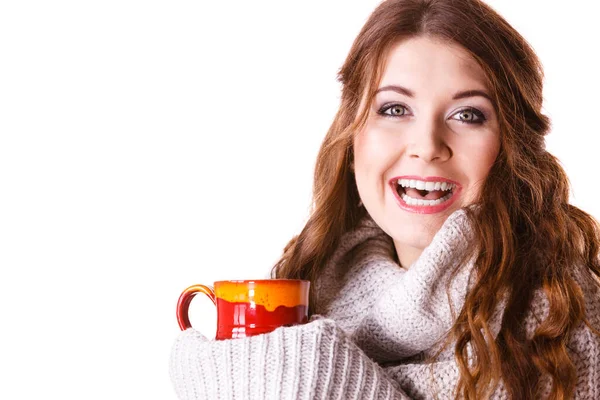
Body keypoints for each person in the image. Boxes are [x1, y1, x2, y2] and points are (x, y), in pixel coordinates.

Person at [169, 0, 600, 398]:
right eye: (394, 109)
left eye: (468, 115)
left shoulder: (561, 319)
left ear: (512, 148)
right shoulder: (315, 282)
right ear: (354, 137)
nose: (427, 145)